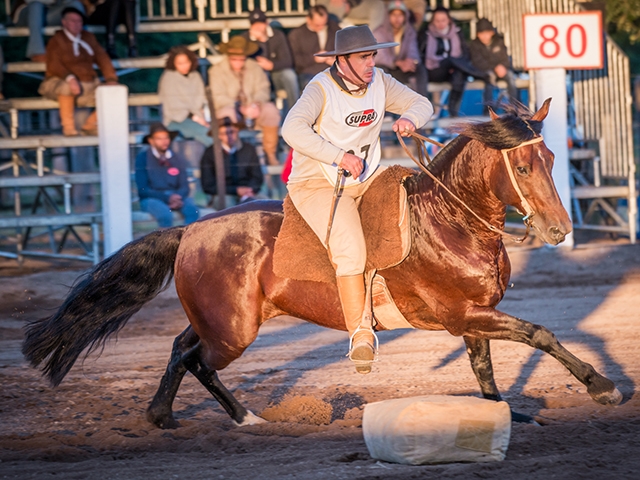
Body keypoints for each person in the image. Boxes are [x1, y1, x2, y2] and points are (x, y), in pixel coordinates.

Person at [282, 25, 433, 372]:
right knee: (351, 250)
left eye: (373, 55)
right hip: (316, 182)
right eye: (364, 57)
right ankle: (360, 334)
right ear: (342, 61)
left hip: (365, 176)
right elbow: (291, 129)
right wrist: (338, 156)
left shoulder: (379, 80)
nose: (371, 63)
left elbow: (420, 103)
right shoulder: (319, 88)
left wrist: (410, 118)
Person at [38, 6, 118, 136]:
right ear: (64, 22)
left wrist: (111, 78)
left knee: (115, 93)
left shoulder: (89, 38)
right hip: (60, 82)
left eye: (79, 21)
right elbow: (55, 64)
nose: (76, 24)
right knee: (66, 86)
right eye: (72, 21)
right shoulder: (56, 40)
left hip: (87, 82)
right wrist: (70, 77)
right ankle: (69, 128)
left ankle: (90, 124)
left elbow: (102, 58)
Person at [209, 36, 282, 166]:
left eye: (241, 59)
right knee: (227, 114)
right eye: (234, 59)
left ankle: (270, 153)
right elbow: (218, 96)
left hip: (252, 108)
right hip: (230, 108)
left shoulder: (254, 67)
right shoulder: (216, 71)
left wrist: (256, 104)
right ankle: (234, 155)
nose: (238, 62)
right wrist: (240, 108)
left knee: (271, 110)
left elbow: (263, 88)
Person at [418, 6, 487, 117]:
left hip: (454, 69)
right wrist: (451, 63)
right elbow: (421, 55)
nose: (441, 23)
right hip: (434, 70)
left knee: (459, 75)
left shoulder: (457, 33)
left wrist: (455, 64)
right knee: (451, 60)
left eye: (443, 20)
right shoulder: (426, 34)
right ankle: (481, 74)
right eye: (437, 20)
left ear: (449, 20)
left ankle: (453, 111)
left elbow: (464, 54)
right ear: (433, 21)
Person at [135, 123, 199, 228]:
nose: (164, 141)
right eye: (159, 138)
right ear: (151, 140)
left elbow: (184, 186)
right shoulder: (142, 159)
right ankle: (167, 243)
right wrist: (167, 197)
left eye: (166, 138)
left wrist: (177, 197)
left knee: (193, 211)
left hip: (176, 196)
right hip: (152, 198)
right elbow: (143, 190)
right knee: (165, 214)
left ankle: (188, 240)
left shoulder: (177, 158)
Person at [241, 9, 299, 115]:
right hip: (256, 78)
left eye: (261, 24)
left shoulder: (277, 35)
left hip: (276, 74)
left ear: (266, 23)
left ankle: (295, 113)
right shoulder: (245, 38)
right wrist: (258, 42)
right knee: (261, 74)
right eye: (255, 24)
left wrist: (272, 65)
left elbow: (288, 61)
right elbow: (242, 62)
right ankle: (262, 113)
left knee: (289, 75)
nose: (258, 27)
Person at [200, 117, 264, 206]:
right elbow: (208, 185)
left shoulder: (249, 149)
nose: (228, 136)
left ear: (237, 131)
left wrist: (250, 190)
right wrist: (236, 190)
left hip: (248, 191)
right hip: (224, 194)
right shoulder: (211, 153)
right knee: (229, 210)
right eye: (224, 133)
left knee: (266, 206)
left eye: (231, 132)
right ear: (219, 135)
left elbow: (257, 176)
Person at [158, 45, 212, 148]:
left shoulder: (195, 76)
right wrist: (196, 118)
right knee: (208, 135)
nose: (184, 66)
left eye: (186, 62)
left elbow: (202, 99)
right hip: (176, 120)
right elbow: (173, 106)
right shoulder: (168, 78)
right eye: (180, 63)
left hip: (198, 118)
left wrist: (204, 118)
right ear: (173, 63)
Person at [373, 1, 427, 97]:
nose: (397, 19)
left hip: (401, 70)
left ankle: (421, 105)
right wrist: (397, 63)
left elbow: (413, 51)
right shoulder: (379, 32)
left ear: (405, 17)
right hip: (388, 69)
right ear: (388, 16)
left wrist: (410, 61)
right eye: (394, 14)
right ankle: (386, 110)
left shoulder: (409, 31)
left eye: (400, 15)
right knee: (380, 70)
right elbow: (379, 57)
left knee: (420, 69)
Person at [11, 0, 86, 62]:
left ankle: (79, 48)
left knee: (76, 5)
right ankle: (36, 52)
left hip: (48, 13)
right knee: (36, 5)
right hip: (27, 12)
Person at [469, 18, 519, 111]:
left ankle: (513, 108)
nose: (484, 36)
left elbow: (506, 58)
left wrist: (503, 67)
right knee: (489, 79)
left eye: (486, 32)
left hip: (501, 70)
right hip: (484, 72)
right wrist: (495, 68)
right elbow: (477, 62)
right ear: (477, 34)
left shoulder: (499, 42)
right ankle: (489, 110)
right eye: (481, 33)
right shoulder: (474, 45)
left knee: (510, 77)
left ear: (492, 32)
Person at [288, 5, 340, 90]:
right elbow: (294, 60)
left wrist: (336, 60)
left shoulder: (334, 29)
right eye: (317, 25)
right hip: (308, 73)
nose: (321, 27)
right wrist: (313, 59)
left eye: (324, 24)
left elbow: (345, 50)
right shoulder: (297, 35)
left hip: (333, 70)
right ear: (308, 20)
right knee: (312, 87)